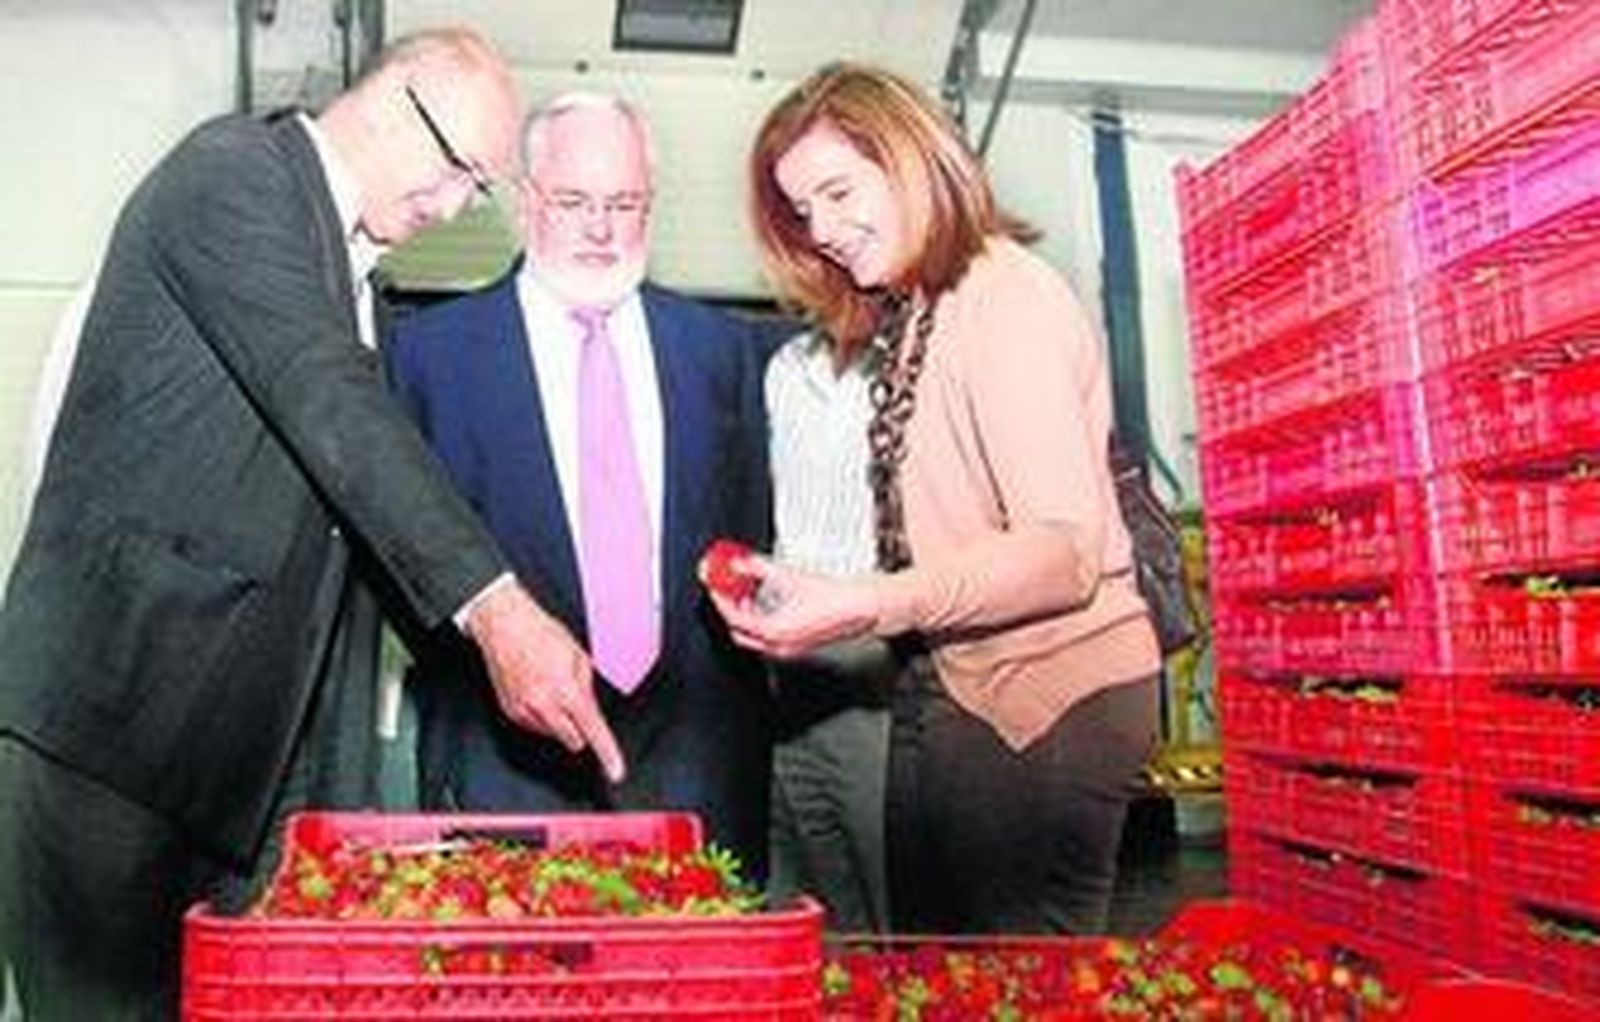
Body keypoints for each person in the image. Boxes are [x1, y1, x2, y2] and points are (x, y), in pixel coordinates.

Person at [0, 28, 624, 1021]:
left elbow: (345, 523)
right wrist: (499, 611)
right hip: (113, 727)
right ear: (395, 97)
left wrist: (485, 664)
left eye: (477, 189)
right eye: (460, 170)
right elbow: (327, 398)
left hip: (237, 759)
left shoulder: (354, 272)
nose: (454, 206)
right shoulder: (234, 173)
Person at [718, 61, 1161, 936]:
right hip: (962, 678)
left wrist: (866, 604)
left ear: (912, 158)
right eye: (804, 211)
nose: (824, 231)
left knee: (1011, 980)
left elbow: (1064, 552)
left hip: (1046, 691)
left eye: (840, 193)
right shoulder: (921, 307)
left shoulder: (1003, 296)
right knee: (941, 964)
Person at [386, 93, 776, 879]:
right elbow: (401, 558)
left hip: (697, 772)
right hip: (503, 767)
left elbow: (746, 541)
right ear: (526, 200)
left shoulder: (722, 350)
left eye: (624, 204)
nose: (601, 229)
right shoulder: (427, 356)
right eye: (573, 202)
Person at [763, 326, 892, 932]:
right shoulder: (788, 364)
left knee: (894, 895)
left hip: (878, 653)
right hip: (782, 661)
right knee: (803, 899)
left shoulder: (920, 359)